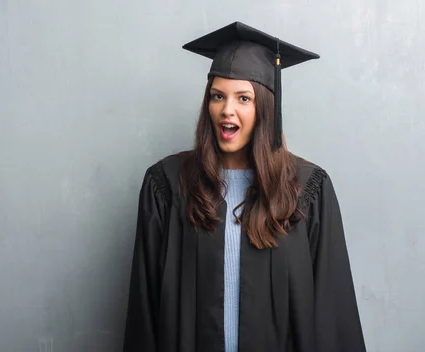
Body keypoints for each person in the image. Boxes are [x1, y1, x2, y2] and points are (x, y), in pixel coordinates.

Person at [123, 21, 366, 352]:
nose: (227, 109)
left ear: (265, 108)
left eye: (243, 98)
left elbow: (332, 315)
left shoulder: (306, 190)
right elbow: (145, 314)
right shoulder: (168, 186)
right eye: (218, 96)